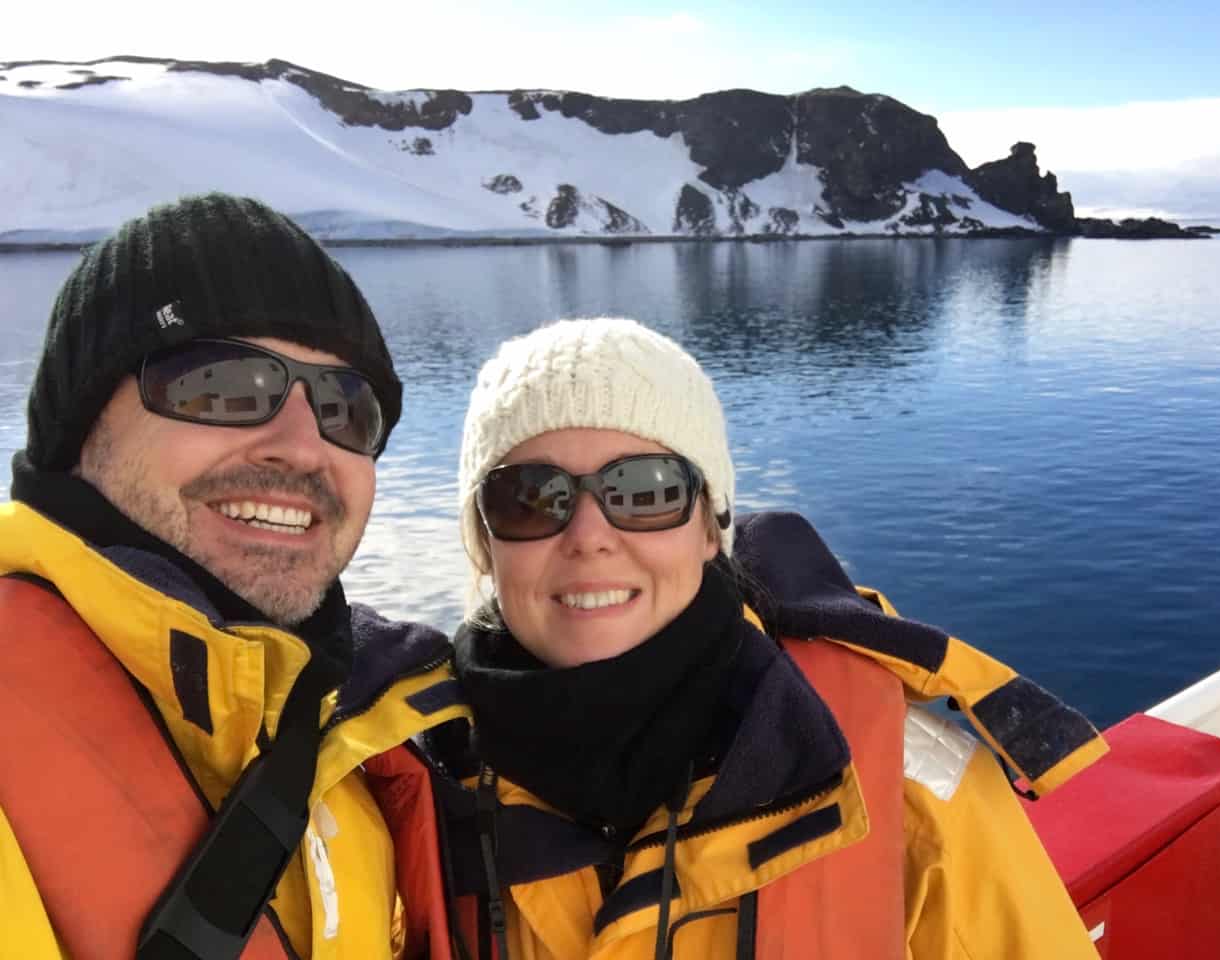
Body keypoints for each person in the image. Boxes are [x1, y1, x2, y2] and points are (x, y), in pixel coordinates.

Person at [377, 317, 1109, 959]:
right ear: (483, 543)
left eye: (645, 490)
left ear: (709, 527)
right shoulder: (412, 786)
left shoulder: (899, 785)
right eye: (531, 499)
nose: (589, 536)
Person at [0, 194, 462, 960]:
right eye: (222, 384)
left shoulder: (359, 733)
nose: (303, 446)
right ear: (80, 430)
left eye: (345, 406)